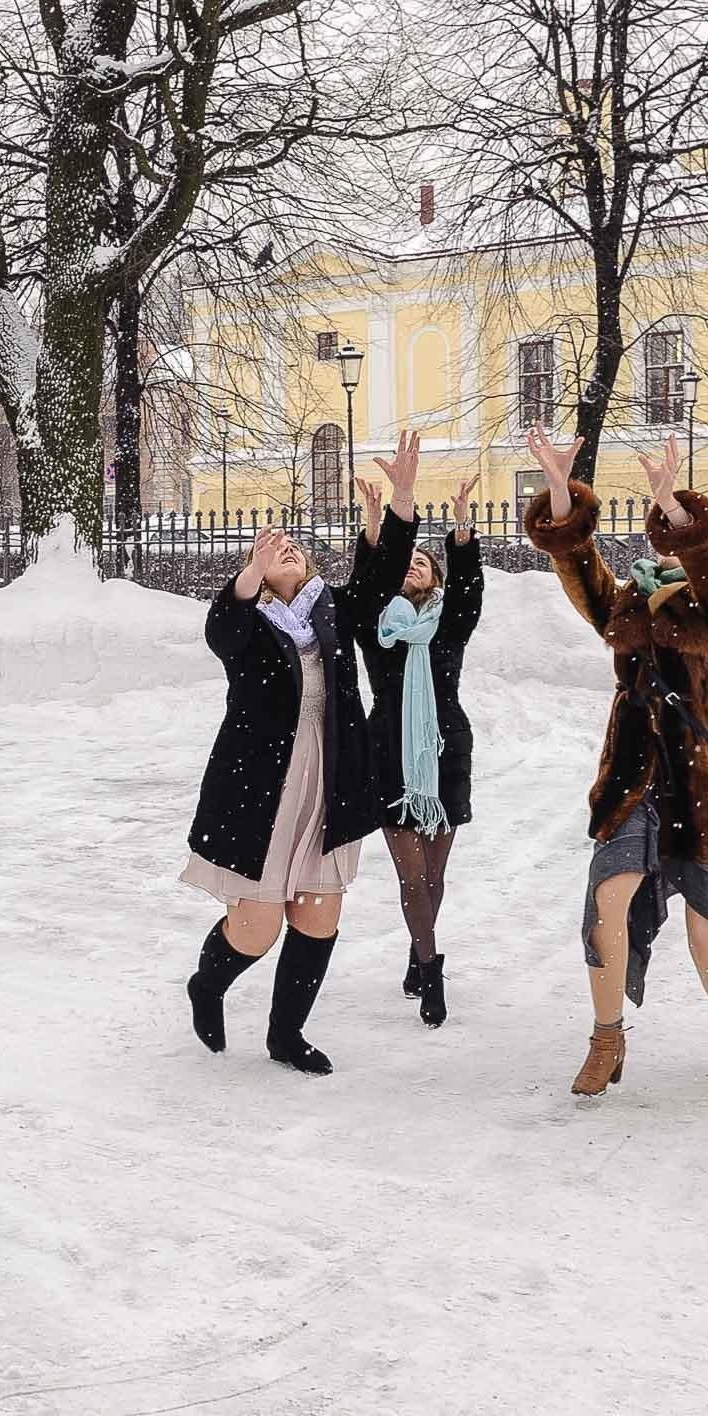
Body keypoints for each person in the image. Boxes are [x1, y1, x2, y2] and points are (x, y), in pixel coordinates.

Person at [521, 426, 708, 1098]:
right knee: (605, 902)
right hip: (633, 778)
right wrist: (560, 491)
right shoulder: (624, 601)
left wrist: (672, 501)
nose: (667, 545)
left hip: (705, 780)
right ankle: (606, 1035)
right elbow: (579, 567)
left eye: (678, 537)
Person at [180, 432, 424, 1075]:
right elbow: (220, 633)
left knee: (317, 915)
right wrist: (249, 578)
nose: (288, 548)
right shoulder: (250, 622)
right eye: (275, 549)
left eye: (295, 548)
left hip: (331, 781)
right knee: (257, 927)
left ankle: (285, 1035)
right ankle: (207, 986)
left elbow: (380, 580)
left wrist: (401, 500)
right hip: (260, 788)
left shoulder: (333, 612)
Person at [351, 469, 485, 1028]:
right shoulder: (375, 627)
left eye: (423, 565)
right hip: (388, 750)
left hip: (444, 747)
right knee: (411, 876)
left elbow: (471, 586)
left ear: (434, 582)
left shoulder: (448, 626)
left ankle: (416, 948)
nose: (413, 567)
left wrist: (460, 531)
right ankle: (430, 970)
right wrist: (376, 531)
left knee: (433, 875)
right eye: (407, 563)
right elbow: (365, 582)